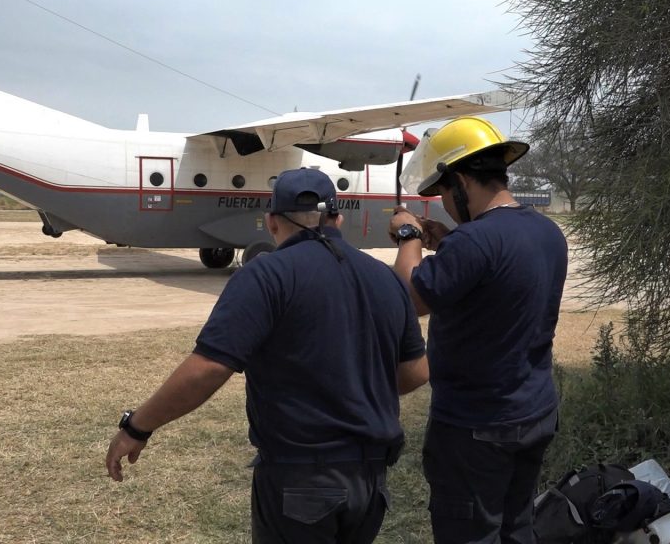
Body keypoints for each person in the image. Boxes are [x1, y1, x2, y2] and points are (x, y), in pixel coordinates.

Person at [106, 167, 429, 544]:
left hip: (301, 478)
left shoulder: (266, 275)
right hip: (370, 481)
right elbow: (416, 372)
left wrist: (137, 425)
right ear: (337, 219)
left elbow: (209, 367)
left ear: (272, 222)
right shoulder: (384, 278)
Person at [388, 116, 568, 544]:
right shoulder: (546, 231)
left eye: (444, 193)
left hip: (476, 426)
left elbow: (410, 298)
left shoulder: (472, 244)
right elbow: (494, 268)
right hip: (534, 412)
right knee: (516, 527)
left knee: (470, 533)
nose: (444, 204)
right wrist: (447, 240)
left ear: (462, 182)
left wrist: (409, 235)